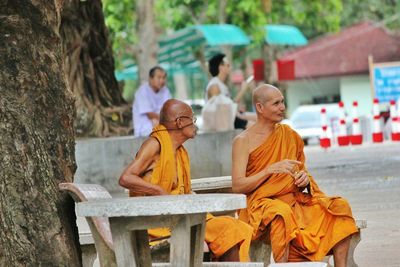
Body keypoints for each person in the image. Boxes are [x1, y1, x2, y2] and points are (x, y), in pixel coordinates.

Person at [231, 84, 358, 266]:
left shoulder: (289, 135)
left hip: (295, 202)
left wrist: (304, 181)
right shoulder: (243, 141)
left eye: (282, 102)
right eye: (276, 103)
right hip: (260, 206)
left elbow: (301, 171)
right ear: (260, 107)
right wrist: (268, 170)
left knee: (339, 206)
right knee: (280, 213)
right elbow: (238, 185)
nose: (282, 107)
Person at [120, 99, 253, 262]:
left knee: (233, 229)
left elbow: (179, 190)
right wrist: (158, 191)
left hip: (179, 216)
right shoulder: (155, 144)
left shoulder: (179, 151)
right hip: (156, 222)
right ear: (180, 122)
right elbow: (126, 177)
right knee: (230, 229)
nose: (195, 125)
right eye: (193, 120)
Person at [205, 53, 255, 130]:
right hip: (224, 122)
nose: (230, 67)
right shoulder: (214, 86)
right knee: (257, 125)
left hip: (230, 118)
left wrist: (237, 109)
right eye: (228, 65)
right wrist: (242, 90)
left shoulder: (222, 85)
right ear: (220, 67)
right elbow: (222, 110)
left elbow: (229, 105)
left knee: (260, 117)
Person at [132, 66, 171, 137]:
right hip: (144, 128)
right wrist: (169, 121)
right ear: (150, 79)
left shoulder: (165, 90)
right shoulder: (142, 92)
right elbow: (150, 115)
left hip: (161, 124)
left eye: (164, 78)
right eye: (159, 77)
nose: (162, 80)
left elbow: (169, 109)